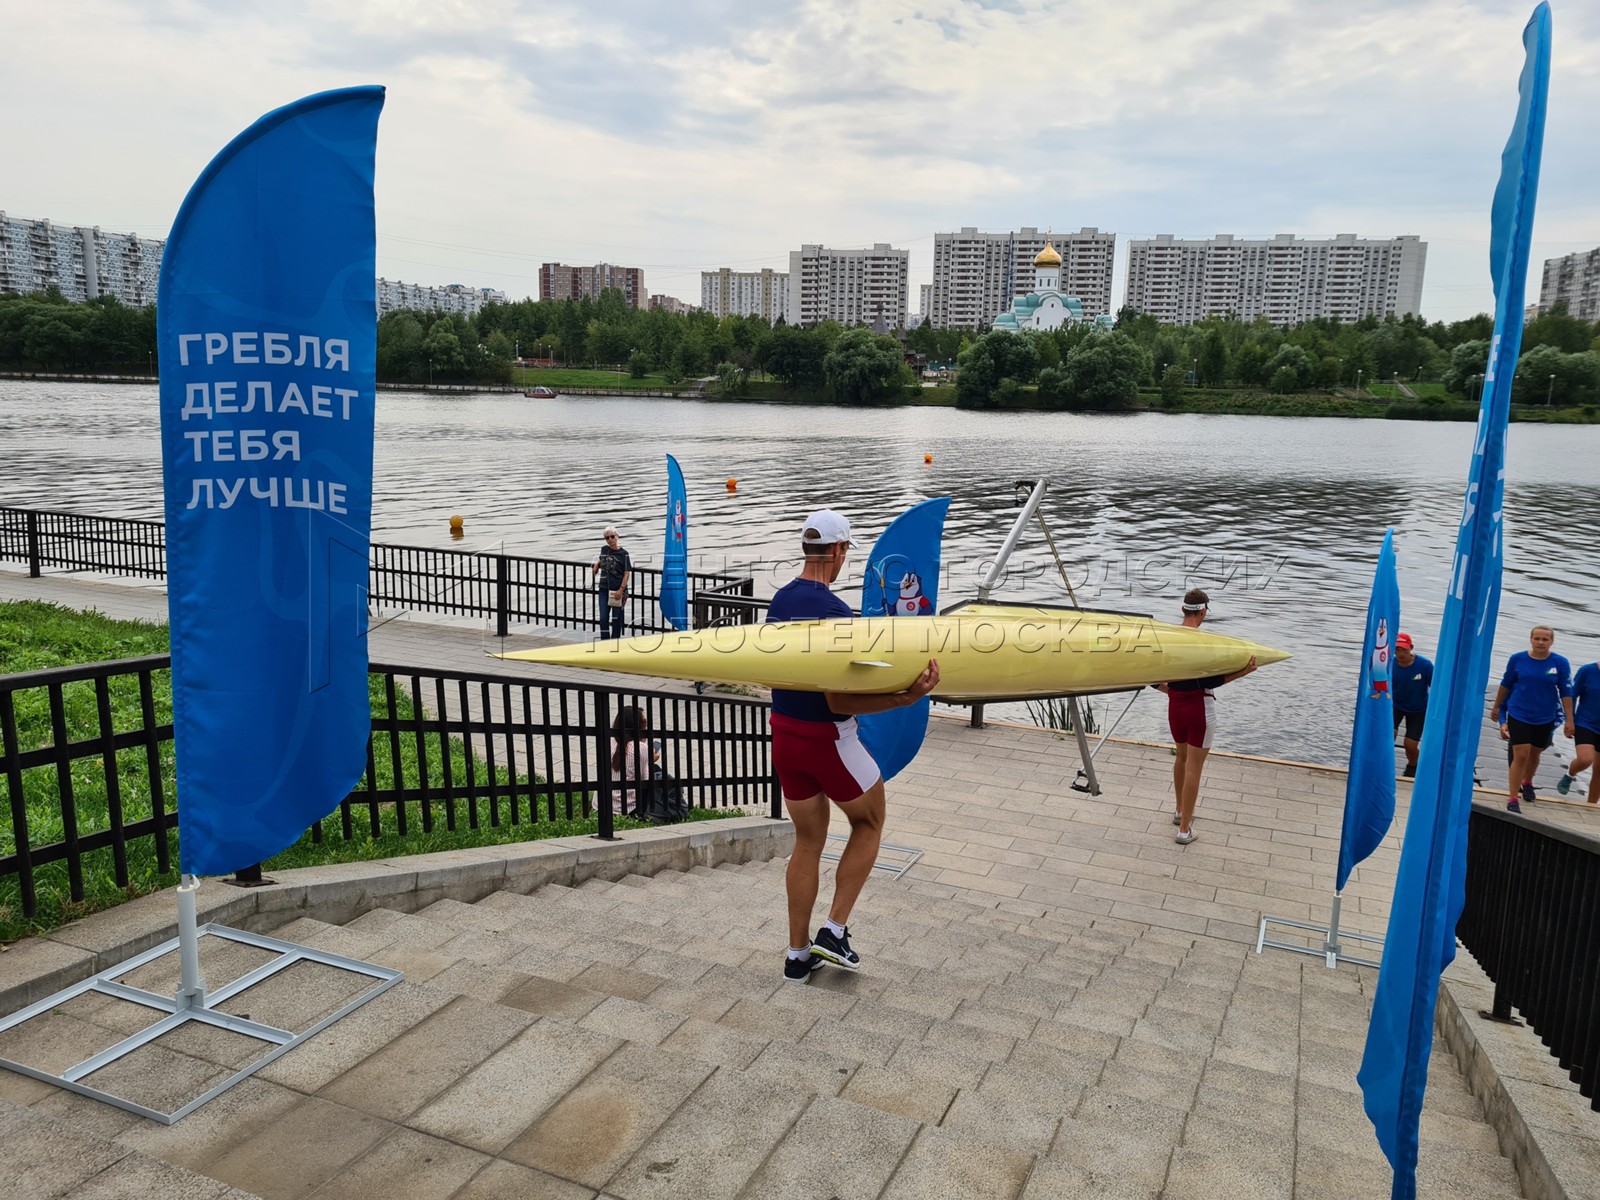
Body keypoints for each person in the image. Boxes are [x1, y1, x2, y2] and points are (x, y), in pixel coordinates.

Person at [767, 508, 939, 984]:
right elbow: (838, 699)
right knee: (869, 822)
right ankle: (834, 931)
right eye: (845, 551)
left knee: (808, 841)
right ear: (839, 550)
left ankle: (797, 956)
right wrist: (905, 696)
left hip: (785, 736)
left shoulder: (780, 601)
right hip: (828, 741)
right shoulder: (837, 615)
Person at [1152, 588, 1258, 845]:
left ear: (1182, 609)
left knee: (1181, 758)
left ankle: (1180, 811)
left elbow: (1152, 678)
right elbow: (1210, 681)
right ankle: (1184, 830)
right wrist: (1243, 672)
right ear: (1203, 612)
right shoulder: (1204, 642)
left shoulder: (1168, 639)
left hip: (1175, 707)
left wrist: (1172, 691)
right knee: (1194, 767)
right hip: (1200, 709)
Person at [1490, 625, 1574, 813]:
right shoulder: (1518, 659)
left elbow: (1566, 691)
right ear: (1531, 640)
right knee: (1521, 755)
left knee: (1534, 754)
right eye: (1537, 638)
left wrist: (1570, 720)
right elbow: (1506, 684)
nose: (1541, 642)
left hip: (1545, 716)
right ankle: (1513, 798)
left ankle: (1527, 781)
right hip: (1519, 713)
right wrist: (1497, 706)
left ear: (1551, 642)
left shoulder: (1560, 663)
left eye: (1545, 639)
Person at [1556, 657, 1600, 802]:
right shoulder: (1587, 671)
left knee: (1599, 771)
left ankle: (1591, 806)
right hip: (1585, 723)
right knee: (1586, 759)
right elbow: (1572, 695)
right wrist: (1570, 720)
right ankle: (1570, 773)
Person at [1391, 632, 1433, 778]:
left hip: (1418, 709)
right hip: (1395, 705)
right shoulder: (1389, 664)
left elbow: (1436, 688)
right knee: (1389, 735)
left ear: (1411, 648)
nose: (1400, 654)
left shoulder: (1425, 665)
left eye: (1404, 650)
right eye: (1397, 650)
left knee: (1410, 745)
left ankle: (1412, 766)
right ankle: (1384, 765)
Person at [609, 704, 659, 816]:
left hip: (602, 804)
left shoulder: (609, 740)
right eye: (644, 723)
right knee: (657, 771)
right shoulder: (640, 748)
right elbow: (644, 779)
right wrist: (649, 760)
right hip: (629, 807)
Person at [592, 526, 631, 640]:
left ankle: (615, 642)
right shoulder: (604, 549)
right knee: (603, 618)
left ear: (617, 537)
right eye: (607, 537)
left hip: (617, 589)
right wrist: (597, 564)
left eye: (612, 536)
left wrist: (621, 590)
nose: (610, 539)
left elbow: (627, 573)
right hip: (604, 589)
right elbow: (602, 558)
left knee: (616, 619)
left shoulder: (624, 554)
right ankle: (605, 641)